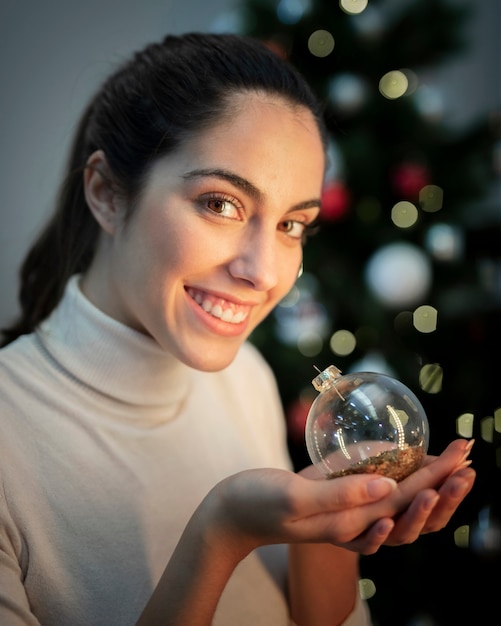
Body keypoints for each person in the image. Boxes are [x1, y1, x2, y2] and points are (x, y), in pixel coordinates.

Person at [0, 32, 475, 626]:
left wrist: (328, 522)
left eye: (293, 224)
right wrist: (220, 536)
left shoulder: (243, 376)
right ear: (106, 194)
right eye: (221, 203)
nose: (263, 273)